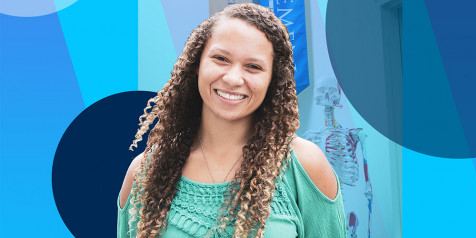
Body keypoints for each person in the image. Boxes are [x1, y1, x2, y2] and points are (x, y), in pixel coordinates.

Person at [118, 3, 346, 238]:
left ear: (272, 80)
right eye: (221, 59)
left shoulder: (304, 166)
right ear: (197, 63)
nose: (234, 78)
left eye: (253, 66)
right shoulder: (144, 172)